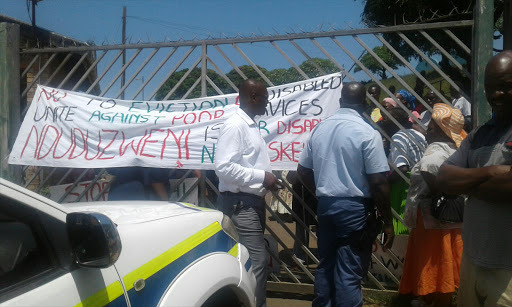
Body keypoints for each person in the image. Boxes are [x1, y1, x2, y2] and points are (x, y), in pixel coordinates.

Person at [297, 81, 394, 307]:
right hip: (354, 210)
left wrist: (320, 194)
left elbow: (302, 171)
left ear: (340, 102)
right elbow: (378, 182)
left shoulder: (320, 128)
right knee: (349, 272)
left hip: (327, 207)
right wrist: (388, 222)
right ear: (364, 103)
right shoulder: (367, 132)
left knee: (326, 265)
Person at [437, 50, 512, 306]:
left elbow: (508, 187)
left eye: (505, 86)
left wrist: (467, 181)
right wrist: (490, 172)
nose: (495, 95)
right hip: (473, 261)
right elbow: (444, 178)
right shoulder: (479, 135)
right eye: (490, 88)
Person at [214, 79, 279, 307]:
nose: (267, 105)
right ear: (253, 97)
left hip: (249, 203)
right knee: (257, 262)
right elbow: (223, 167)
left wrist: (266, 179)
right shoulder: (235, 125)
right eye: (265, 99)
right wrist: (263, 177)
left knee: (249, 261)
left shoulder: (249, 125)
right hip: (240, 205)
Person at [399, 103, 466, 306]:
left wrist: (438, 191)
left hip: (431, 220)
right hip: (449, 219)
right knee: (445, 260)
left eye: (431, 127)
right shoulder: (456, 149)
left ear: (442, 129)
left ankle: (431, 299)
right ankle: (441, 299)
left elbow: (429, 168)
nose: (427, 131)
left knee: (431, 261)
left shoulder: (435, 150)